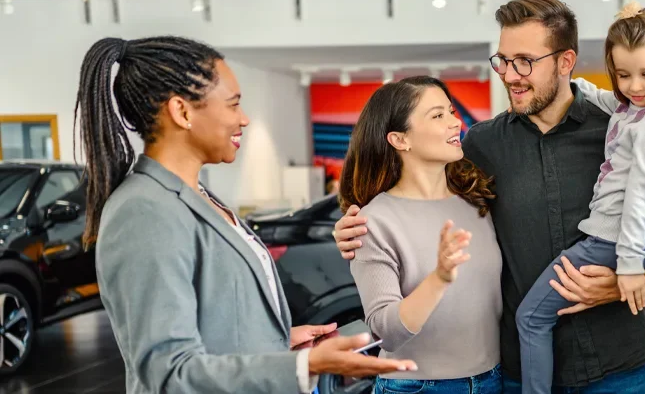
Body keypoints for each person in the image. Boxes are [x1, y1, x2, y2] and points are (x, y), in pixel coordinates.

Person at [334, 0, 645, 394]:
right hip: (517, 373)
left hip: (615, 368)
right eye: (503, 61)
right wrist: (353, 224)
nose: (510, 75)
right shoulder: (480, 145)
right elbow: (419, 191)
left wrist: (623, 282)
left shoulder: (620, 130)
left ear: (565, 62)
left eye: (525, 62)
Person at [78, 36, 416, 394]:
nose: (244, 119)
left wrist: (277, 343)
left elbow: (216, 327)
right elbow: (168, 374)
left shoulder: (198, 197)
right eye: (233, 104)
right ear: (182, 111)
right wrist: (302, 367)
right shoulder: (144, 212)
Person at [515, 1, 645, 394]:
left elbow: (641, 200)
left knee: (530, 318)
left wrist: (629, 266)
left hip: (615, 236)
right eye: (623, 74)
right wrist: (575, 85)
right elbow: (609, 101)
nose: (634, 86)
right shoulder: (635, 111)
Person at [338, 76, 504, 393]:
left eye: (452, 112)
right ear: (400, 140)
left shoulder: (477, 203)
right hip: (418, 387)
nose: (455, 123)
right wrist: (439, 278)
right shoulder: (373, 221)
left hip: (492, 380)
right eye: (438, 115)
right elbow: (385, 332)